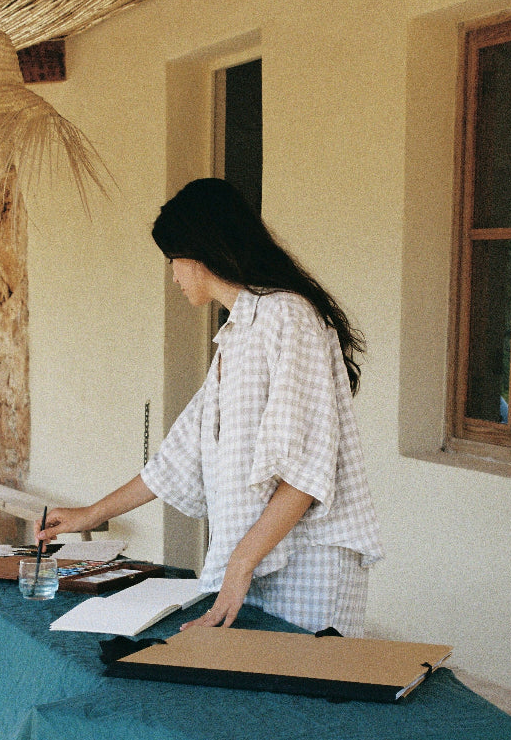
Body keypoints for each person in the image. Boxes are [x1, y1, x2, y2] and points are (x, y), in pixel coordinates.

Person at [38, 178, 382, 636]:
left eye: (173, 262)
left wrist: (239, 564)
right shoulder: (235, 336)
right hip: (253, 562)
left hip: (307, 565)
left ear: (200, 253)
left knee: (302, 701)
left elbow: (306, 474)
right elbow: (177, 457)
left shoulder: (287, 317)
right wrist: (91, 514)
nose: (175, 277)